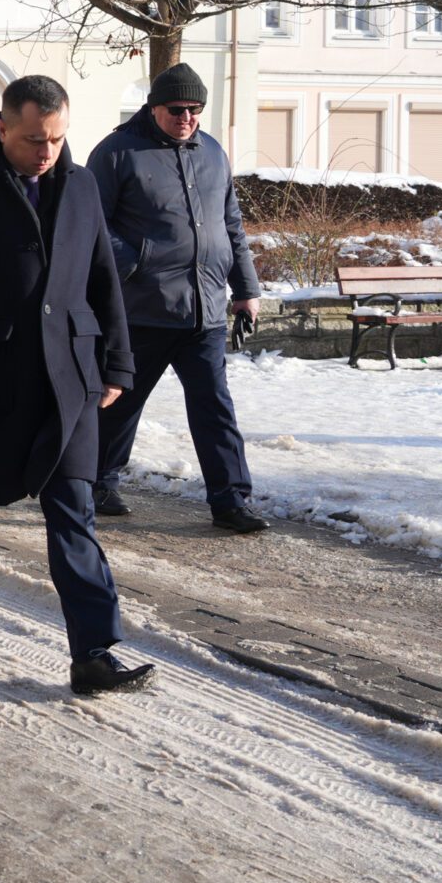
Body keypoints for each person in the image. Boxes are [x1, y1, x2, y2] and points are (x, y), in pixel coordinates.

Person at [0, 74, 154, 697]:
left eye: (57, 139)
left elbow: (102, 278)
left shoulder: (82, 185)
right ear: (1, 129)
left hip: (68, 377)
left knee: (75, 507)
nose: (47, 151)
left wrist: (117, 364)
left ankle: (92, 653)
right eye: (33, 140)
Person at [86, 65, 268, 534]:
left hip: (204, 310)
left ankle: (231, 500)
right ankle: (97, 482)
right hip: (141, 309)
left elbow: (231, 224)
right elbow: (91, 223)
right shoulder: (116, 153)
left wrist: (246, 289)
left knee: (215, 407)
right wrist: (136, 263)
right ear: (154, 108)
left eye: (195, 109)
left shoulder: (212, 152)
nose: (187, 117)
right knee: (120, 402)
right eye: (177, 109)